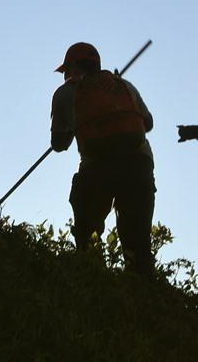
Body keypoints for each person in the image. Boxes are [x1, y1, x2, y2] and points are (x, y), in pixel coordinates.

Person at [49, 42, 157, 277]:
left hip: (97, 167)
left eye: (66, 70)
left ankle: (94, 284)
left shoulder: (67, 92)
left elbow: (58, 144)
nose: (65, 76)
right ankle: (145, 295)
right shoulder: (124, 85)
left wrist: (71, 130)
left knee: (88, 235)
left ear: (74, 67)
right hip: (139, 164)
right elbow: (148, 123)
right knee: (138, 242)